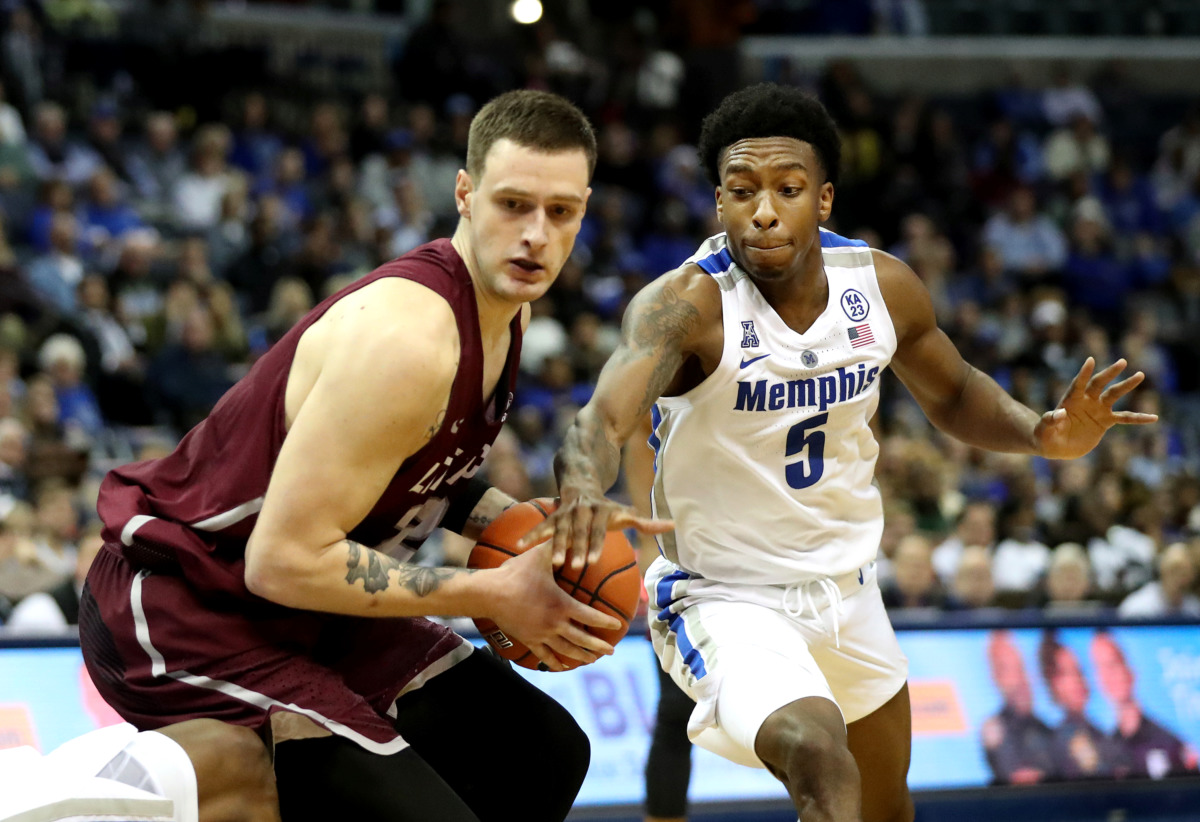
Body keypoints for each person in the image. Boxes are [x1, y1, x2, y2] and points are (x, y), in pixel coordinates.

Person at [520, 83, 1157, 822]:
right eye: (741, 191)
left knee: (887, 807)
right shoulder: (687, 305)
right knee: (819, 755)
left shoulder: (881, 285)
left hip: (849, 591)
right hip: (724, 595)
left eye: (786, 190)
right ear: (718, 203)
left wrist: (1041, 433)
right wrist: (582, 486)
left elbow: (952, 394)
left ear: (822, 200)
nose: (763, 210)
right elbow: (598, 420)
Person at [78, 90, 663, 822]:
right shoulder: (409, 342)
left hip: (304, 608)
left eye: (560, 212)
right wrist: (490, 592)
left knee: (538, 752)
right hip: (186, 608)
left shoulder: (506, 313)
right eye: (513, 205)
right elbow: (281, 559)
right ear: (465, 194)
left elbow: (416, 472)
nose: (536, 236)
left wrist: (529, 529)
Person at [1090, 631, 1199, 779]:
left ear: (1130, 670)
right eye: (1100, 668)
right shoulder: (1104, 747)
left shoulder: (1170, 742)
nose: (1108, 675)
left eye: (1113, 664)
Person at [1038, 631, 1128, 780]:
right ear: (1053, 683)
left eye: (1078, 671)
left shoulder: (1098, 731)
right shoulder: (1067, 737)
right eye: (1066, 673)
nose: (1078, 680)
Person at [982, 630, 1057, 785]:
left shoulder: (1044, 727)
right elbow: (1019, 778)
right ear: (996, 677)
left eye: (1020, 667)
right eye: (1008, 669)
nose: (1020, 679)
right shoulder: (996, 728)